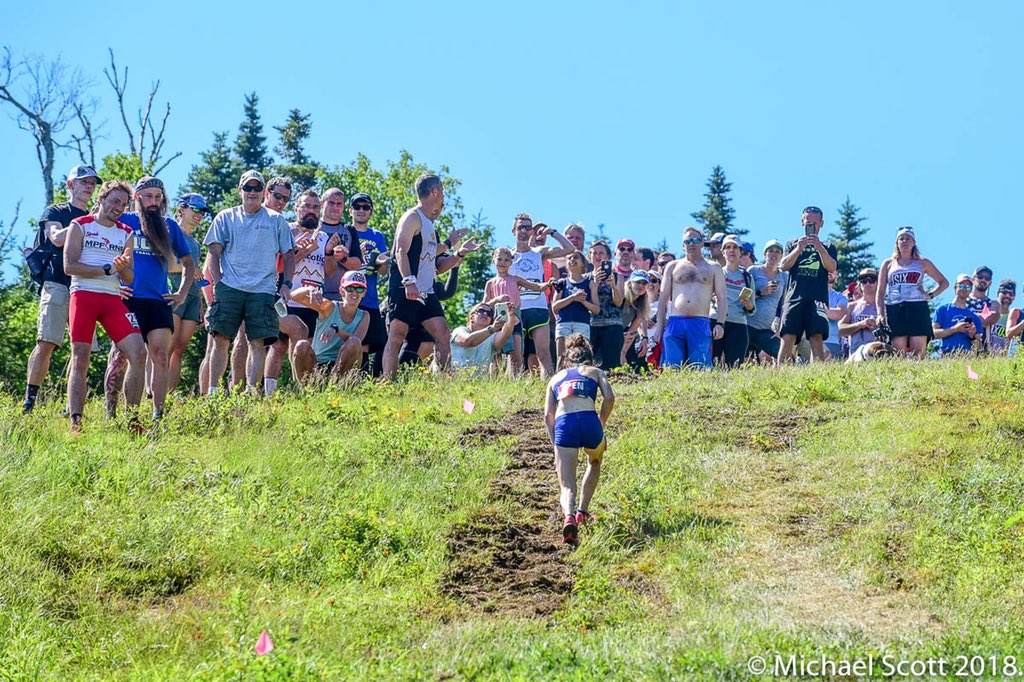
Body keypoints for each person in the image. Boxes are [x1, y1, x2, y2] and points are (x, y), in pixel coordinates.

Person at [105, 176, 197, 420]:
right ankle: (112, 411)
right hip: (128, 298)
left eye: (158, 197)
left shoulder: (169, 226)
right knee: (121, 356)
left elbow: (188, 263)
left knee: (160, 355)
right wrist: (112, 285)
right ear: (137, 198)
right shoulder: (124, 221)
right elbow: (103, 250)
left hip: (158, 300)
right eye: (148, 196)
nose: (154, 202)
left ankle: (157, 414)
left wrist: (182, 293)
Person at [63, 180, 147, 434]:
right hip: (84, 296)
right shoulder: (80, 226)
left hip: (112, 299)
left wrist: (122, 269)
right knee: (81, 357)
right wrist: (106, 269)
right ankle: (76, 422)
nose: (119, 207)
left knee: (139, 353)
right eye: (114, 201)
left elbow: (130, 277)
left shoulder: (125, 233)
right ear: (101, 199)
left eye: (123, 204)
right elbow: (69, 266)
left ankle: (133, 420)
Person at [204, 170, 295, 394]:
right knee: (221, 340)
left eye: (256, 188)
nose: (252, 192)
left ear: (263, 192)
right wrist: (219, 284)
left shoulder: (276, 220)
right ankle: (214, 392)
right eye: (248, 187)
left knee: (258, 342)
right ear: (240, 190)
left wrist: (287, 284)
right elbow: (213, 253)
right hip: (230, 288)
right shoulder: (226, 216)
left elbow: (289, 254)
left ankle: (252, 392)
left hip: (263, 291)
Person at [23, 164, 102, 414]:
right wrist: (88, 220)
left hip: (85, 287)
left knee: (82, 348)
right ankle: (29, 401)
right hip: (57, 283)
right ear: (70, 185)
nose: (89, 187)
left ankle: (71, 404)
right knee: (47, 341)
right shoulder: (56, 210)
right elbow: (56, 238)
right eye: (84, 182)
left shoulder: (96, 216)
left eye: (92, 183)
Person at [383, 174, 470, 380]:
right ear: (435, 191)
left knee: (443, 334)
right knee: (396, 337)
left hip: (426, 290)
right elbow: (400, 251)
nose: (443, 198)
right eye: (443, 192)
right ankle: (388, 384)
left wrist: (456, 250)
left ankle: (444, 382)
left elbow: (437, 266)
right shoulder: (412, 217)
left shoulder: (430, 227)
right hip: (406, 287)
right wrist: (409, 281)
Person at [544, 334, 614, 546]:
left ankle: (569, 516)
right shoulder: (596, 371)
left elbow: (548, 415)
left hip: (565, 425)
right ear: (590, 360)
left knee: (566, 484)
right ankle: (583, 511)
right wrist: (601, 422)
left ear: (566, 361)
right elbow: (609, 398)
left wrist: (554, 441)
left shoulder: (555, 379)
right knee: (594, 461)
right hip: (590, 420)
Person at [263, 189, 336, 394]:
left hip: (312, 303)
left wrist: (329, 253)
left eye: (315, 207)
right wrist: (303, 251)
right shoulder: (286, 231)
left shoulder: (324, 237)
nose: (311, 211)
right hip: (285, 298)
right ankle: (269, 393)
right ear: (296, 209)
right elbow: (277, 266)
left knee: (306, 349)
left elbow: (329, 272)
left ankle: (301, 391)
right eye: (306, 206)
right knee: (277, 347)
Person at [508, 213, 573, 378]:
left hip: (538, 308)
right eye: (520, 227)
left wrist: (552, 232)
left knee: (543, 353)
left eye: (527, 227)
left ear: (532, 231)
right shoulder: (507, 255)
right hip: (516, 308)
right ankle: (511, 391)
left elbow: (570, 249)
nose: (524, 231)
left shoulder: (539, 252)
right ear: (513, 230)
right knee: (514, 356)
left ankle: (548, 388)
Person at [653, 227, 726, 368]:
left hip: (700, 321)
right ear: (683, 244)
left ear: (702, 243)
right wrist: (659, 327)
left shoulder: (714, 267)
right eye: (688, 241)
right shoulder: (672, 266)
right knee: (672, 367)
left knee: (700, 367)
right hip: (675, 321)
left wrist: (720, 323)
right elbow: (663, 299)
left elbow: (722, 298)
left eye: (696, 240)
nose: (691, 243)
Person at [777, 206, 838, 363]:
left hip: (818, 299)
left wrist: (820, 249)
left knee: (816, 337)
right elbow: (783, 266)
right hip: (794, 297)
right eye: (807, 222)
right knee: (788, 336)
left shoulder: (829, 247)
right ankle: (780, 375)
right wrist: (798, 249)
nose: (810, 226)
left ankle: (816, 376)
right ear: (802, 222)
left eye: (814, 223)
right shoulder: (792, 244)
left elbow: (832, 267)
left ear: (821, 224)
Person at [876, 226, 948, 358]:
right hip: (895, 307)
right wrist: (880, 314)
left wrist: (930, 295)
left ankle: (918, 377)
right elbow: (880, 292)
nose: (904, 241)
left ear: (914, 242)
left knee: (918, 352)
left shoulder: (922, 262)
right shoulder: (888, 263)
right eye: (901, 238)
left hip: (917, 306)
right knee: (898, 352)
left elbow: (944, 282)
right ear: (897, 243)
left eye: (908, 238)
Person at [290, 270, 370, 383]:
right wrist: (310, 289)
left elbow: (355, 341)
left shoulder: (364, 315)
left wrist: (336, 329)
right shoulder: (329, 307)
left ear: (364, 293)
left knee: (354, 342)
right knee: (301, 345)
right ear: (342, 290)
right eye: (350, 288)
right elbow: (293, 296)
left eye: (359, 289)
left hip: (342, 364)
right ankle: (307, 389)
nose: (355, 293)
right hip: (317, 363)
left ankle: (338, 388)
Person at [167, 193, 211, 394]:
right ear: (182, 208)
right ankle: (153, 394)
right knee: (167, 346)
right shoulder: (170, 232)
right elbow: (167, 264)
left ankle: (170, 392)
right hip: (174, 292)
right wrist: (190, 269)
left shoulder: (194, 244)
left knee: (179, 348)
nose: (200, 215)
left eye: (203, 212)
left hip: (193, 298)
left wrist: (201, 304)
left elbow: (197, 276)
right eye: (196, 209)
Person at [484, 245, 552, 375]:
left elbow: (536, 287)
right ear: (493, 260)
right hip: (497, 317)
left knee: (516, 351)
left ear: (511, 262)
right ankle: (494, 382)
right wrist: (496, 300)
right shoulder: (491, 283)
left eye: (506, 260)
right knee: (496, 354)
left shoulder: (515, 279)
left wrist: (547, 284)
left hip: (514, 317)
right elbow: (485, 305)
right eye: (499, 259)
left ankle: (515, 380)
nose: (503, 262)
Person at [349, 193, 390, 376]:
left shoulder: (377, 236)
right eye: (357, 207)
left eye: (365, 207)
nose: (361, 210)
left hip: (370, 297)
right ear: (350, 211)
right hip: (347, 295)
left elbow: (383, 271)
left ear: (371, 212)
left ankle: (362, 381)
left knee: (366, 343)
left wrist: (380, 262)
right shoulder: (346, 231)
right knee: (345, 338)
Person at [712, 236, 755, 367]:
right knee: (712, 365)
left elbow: (753, 311)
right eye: (728, 247)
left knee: (735, 367)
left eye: (735, 247)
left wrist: (749, 306)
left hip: (738, 324)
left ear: (741, 251)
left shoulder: (748, 277)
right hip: (715, 320)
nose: (732, 250)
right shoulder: (715, 272)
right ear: (723, 251)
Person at [551, 250, 600, 366]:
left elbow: (596, 309)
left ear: (583, 263)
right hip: (563, 323)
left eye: (576, 258)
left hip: (582, 323)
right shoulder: (562, 283)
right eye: (569, 258)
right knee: (562, 357)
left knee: (583, 356)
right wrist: (572, 298)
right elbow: (555, 306)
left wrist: (583, 302)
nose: (572, 260)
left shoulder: (590, 283)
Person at [587, 240, 627, 371]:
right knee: (590, 364)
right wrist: (595, 284)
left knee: (612, 365)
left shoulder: (617, 276)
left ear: (608, 257)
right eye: (594, 253)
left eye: (601, 253)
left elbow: (619, 302)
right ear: (590, 256)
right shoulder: (585, 277)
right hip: (590, 326)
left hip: (612, 325)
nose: (597, 256)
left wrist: (613, 287)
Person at [747, 240, 788, 362]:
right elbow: (742, 298)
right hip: (746, 325)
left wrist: (781, 326)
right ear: (765, 254)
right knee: (742, 361)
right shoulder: (753, 271)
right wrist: (761, 292)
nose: (773, 254)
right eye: (770, 251)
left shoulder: (784, 276)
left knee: (786, 357)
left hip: (766, 329)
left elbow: (784, 304)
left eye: (777, 252)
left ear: (781, 256)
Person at [450, 302, 517, 377]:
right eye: (481, 311)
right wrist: (492, 329)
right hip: (456, 381)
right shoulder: (460, 330)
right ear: (471, 317)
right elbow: (468, 341)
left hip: (479, 385)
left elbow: (505, 335)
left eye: (489, 313)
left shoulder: (491, 337)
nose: (485, 314)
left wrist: (510, 316)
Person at [933, 274, 984, 356]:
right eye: (961, 285)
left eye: (968, 287)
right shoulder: (942, 310)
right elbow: (933, 334)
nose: (964, 289)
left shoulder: (975, 317)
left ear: (971, 291)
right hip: (947, 354)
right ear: (955, 287)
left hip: (967, 356)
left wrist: (973, 335)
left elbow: (979, 348)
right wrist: (954, 329)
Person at [838, 268, 880, 356]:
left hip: (879, 354)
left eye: (871, 280)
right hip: (856, 356)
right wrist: (860, 324)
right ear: (860, 284)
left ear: (878, 282)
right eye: (864, 281)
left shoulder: (884, 306)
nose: (868, 283)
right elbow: (840, 330)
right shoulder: (852, 306)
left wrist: (878, 328)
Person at [965, 266, 1002, 352]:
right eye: (980, 276)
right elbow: (956, 318)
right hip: (962, 348)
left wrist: (967, 316)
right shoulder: (963, 299)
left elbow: (992, 318)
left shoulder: (993, 303)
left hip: (984, 351)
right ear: (973, 278)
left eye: (987, 278)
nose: (983, 280)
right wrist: (982, 318)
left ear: (990, 283)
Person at [621, 270, 652, 370]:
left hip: (624, 335)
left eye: (644, 283)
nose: (641, 286)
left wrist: (623, 353)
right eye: (637, 282)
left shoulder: (641, 304)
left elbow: (632, 331)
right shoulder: (621, 298)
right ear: (630, 284)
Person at [824, 270, 850, 359]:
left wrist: (816, 308)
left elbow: (838, 314)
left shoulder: (840, 297)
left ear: (837, 276)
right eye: (826, 269)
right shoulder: (810, 292)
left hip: (831, 342)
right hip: (809, 340)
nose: (829, 272)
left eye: (832, 270)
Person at [989, 279, 1019, 355]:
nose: (1007, 296)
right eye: (1004, 293)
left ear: (1014, 297)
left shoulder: (1015, 319)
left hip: (1003, 361)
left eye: (1011, 294)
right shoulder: (988, 313)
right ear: (998, 294)